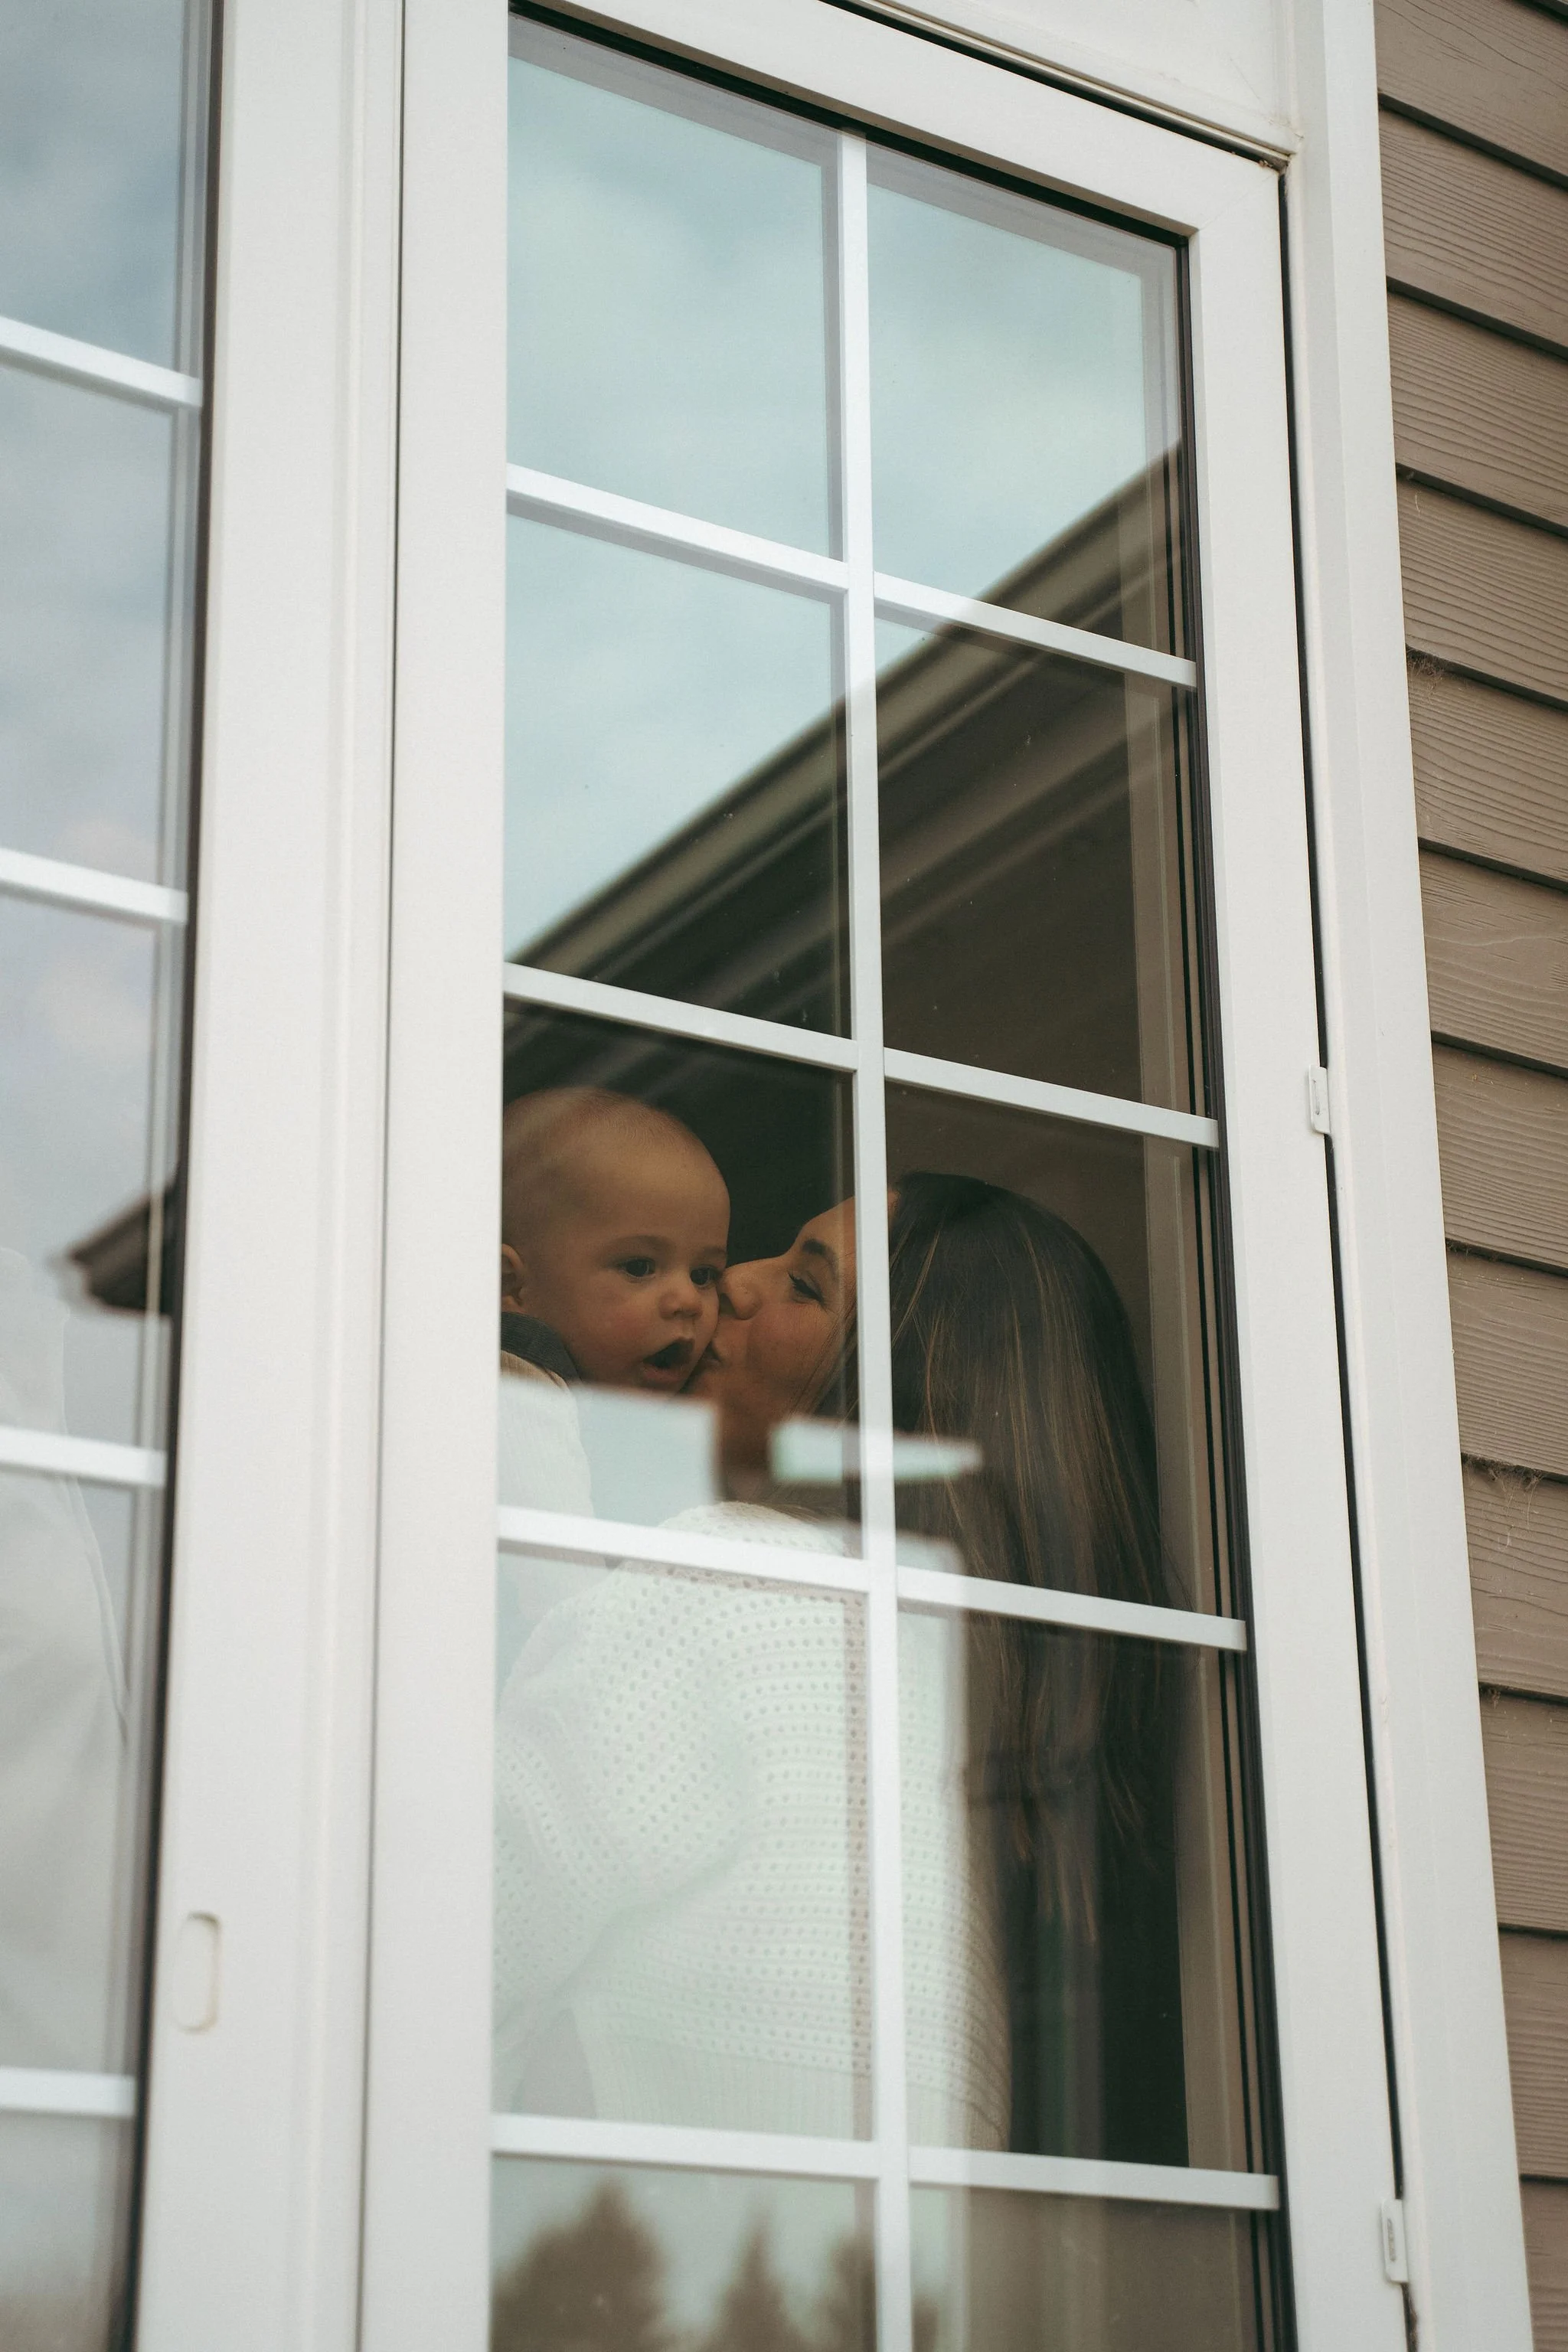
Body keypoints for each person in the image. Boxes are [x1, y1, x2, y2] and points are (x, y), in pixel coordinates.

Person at [493, 1173, 1179, 2158]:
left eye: (806, 1286)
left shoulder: (742, 1583)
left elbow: (458, 1928)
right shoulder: (965, 1681)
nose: (733, 1283)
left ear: (898, 1402)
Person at [498, 1088, 728, 1392]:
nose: (688, 1301)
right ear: (511, 1285)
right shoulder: (518, 1385)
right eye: (638, 1267)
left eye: (703, 1275)